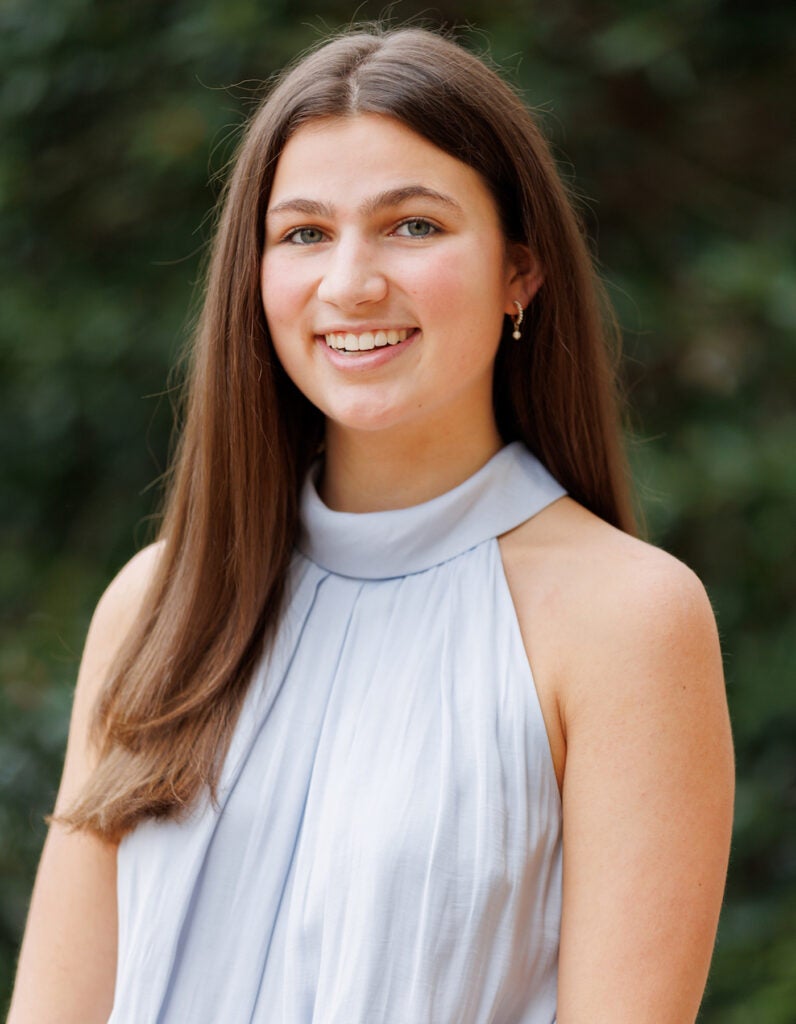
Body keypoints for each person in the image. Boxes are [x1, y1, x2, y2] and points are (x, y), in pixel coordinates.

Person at [7, 24, 734, 1024]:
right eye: (304, 233)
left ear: (520, 271)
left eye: (413, 226)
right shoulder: (157, 601)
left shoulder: (627, 620)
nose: (349, 282)